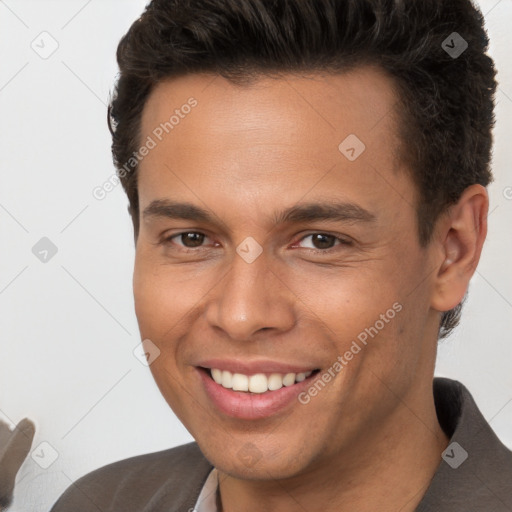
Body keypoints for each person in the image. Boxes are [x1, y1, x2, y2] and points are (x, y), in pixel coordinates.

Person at [50, 0, 512, 510]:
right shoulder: (98, 502)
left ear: (453, 251)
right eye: (192, 239)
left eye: (320, 241)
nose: (242, 315)